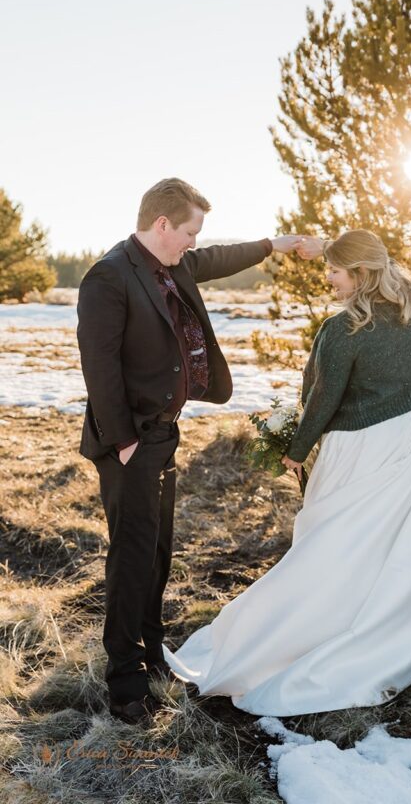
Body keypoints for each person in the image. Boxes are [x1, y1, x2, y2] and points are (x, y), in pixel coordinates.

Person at [163, 229, 411, 716]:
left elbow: (322, 400)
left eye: (336, 271)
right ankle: (403, 617)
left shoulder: (342, 331)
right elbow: (380, 257)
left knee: (334, 543)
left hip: (364, 447)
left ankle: (294, 633)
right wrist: (334, 248)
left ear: (360, 276)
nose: (328, 278)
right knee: (403, 539)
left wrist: (296, 451)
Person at [76, 177, 303, 724]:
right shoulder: (109, 277)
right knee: (130, 559)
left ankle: (152, 655)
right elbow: (99, 368)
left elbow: (223, 257)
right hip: (129, 442)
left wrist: (276, 245)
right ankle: (126, 684)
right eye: (189, 232)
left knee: (157, 553)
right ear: (161, 225)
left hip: (164, 435)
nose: (194, 243)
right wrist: (125, 442)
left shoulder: (175, 265)